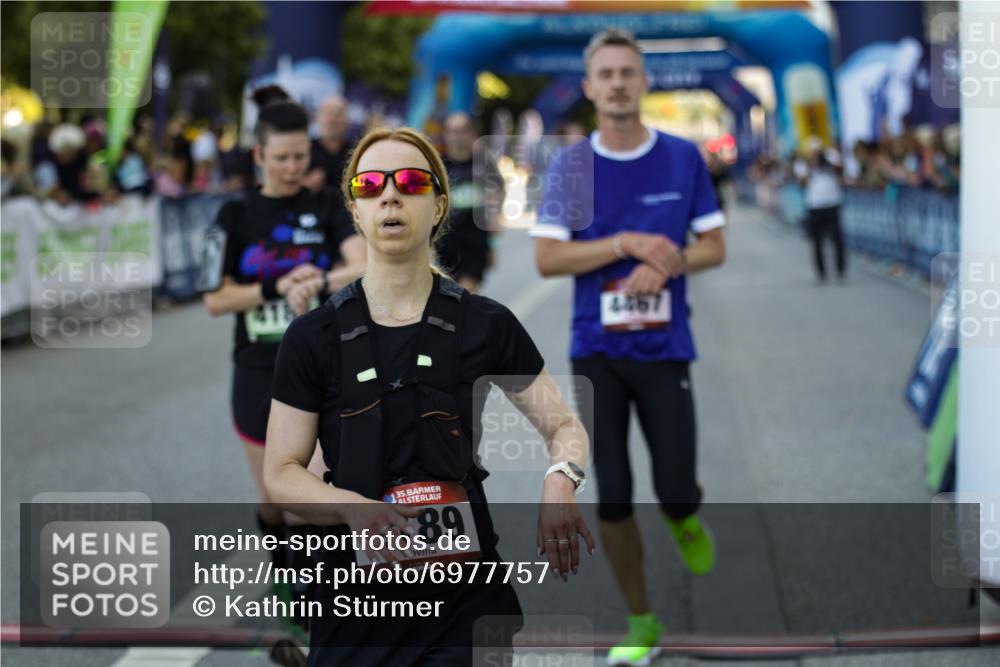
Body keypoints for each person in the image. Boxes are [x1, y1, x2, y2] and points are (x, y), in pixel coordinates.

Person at [263, 126, 594, 665]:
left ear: (439, 205)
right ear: (355, 211)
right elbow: (280, 472)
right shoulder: (313, 336)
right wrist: (355, 510)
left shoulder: (488, 324)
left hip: (463, 601)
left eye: (411, 182)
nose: (390, 194)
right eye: (370, 185)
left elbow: (564, 428)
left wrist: (563, 480)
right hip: (354, 606)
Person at [531, 29, 726, 666]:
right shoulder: (570, 166)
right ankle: (641, 620)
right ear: (589, 88)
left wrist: (667, 265)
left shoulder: (682, 157)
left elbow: (713, 247)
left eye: (628, 73)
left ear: (644, 83)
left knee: (674, 487)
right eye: (606, 74)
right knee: (612, 493)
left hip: (667, 349)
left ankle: (684, 515)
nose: (617, 82)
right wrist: (625, 244)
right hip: (598, 352)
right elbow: (548, 258)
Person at [201, 98, 366, 548]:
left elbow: (362, 265)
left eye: (300, 156)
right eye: (282, 158)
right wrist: (276, 287)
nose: (293, 167)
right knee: (274, 501)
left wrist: (317, 279)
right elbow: (215, 299)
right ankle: (287, 579)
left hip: (319, 369)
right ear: (259, 156)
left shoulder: (328, 205)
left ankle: (313, 608)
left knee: (309, 501)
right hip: (256, 370)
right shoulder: (233, 216)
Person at [434, 112, 504, 293]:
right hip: (445, 239)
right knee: (446, 294)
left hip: (475, 238)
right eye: (451, 131)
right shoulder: (438, 165)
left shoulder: (484, 162)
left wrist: (493, 241)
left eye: (461, 131)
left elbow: (498, 191)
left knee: (467, 293)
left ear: (471, 134)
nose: (456, 136)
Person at [793, 136, 846, 283]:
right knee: (816, 241)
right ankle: (821, 272)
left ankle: (840, 269)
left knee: (837, 239)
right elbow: (801, 181)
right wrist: (811, 165)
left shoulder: (831, 156)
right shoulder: (803, 162)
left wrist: (826, 161)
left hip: (832, 202)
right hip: (814, 205)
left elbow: (841, 169)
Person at [304, 94, 351, 194]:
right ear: (317, 118)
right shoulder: (303, 149)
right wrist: (304, 184)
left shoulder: (356, 152)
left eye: (338, 114)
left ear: (347, 121)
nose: (332, 120)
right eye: (327, 113)